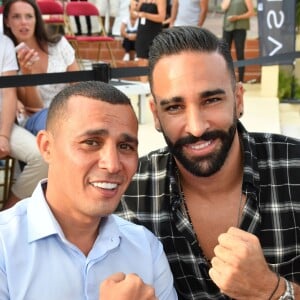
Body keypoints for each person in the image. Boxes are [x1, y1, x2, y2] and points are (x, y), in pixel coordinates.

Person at [116, 26, 300, 299]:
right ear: (156, 114)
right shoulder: (130, 193)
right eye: (174, 107)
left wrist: (272, 290)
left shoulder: (294, 167)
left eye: (211, 100)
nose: (197, 127)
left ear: (238, 99)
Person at [0, 81, 178, 300]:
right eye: (91, 142)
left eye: (125, 146)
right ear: (47, 147)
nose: (112, 164)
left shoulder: (146, 248)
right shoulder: (4, 246)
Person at [3, 0, 80, 135]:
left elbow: (79, 86)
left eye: (29, 16)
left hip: (69, 111)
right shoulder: (8, 58)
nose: (23, 22)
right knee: (53, 123)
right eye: (16, 17)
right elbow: (36, 107)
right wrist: (28, 75)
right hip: (37, 120)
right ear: (7, 22)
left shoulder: (59, 45)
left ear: (36, 19)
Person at [0, 34, 48, 210]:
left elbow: (8, 93)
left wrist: (3, 136)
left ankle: (7, 215)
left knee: (43, 157)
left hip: (3, 120)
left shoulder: (4, 43)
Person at [221, 0, 255, 82]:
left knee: (240, 53)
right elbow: (223, 8)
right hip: (227, 27)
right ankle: (226, 79)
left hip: (240, 27)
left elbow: (251, 13)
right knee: (224, 53)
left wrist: (237, 17)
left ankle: (240, 80)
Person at [133, 0, 166, 81]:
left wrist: (145, 15)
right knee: (141, 57)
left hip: (153, 32)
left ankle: (154, 85)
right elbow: (134, 15)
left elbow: (161, 17)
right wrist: (134, 9)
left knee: (154, 58)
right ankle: (143, 84)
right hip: (142, 31)